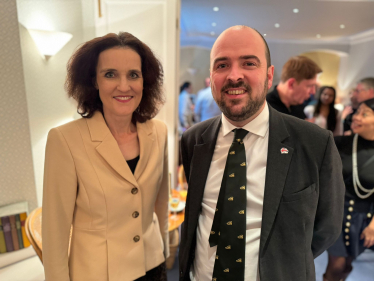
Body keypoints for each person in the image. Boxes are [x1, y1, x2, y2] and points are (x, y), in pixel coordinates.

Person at [179, 25, 345, 281]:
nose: (234, 76)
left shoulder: (315, 144)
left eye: (248, 63)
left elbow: (327, 227)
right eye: (222, 65)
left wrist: (286, 262)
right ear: (211, 77)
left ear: (269, 76)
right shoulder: (193, 140)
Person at [42, 32, 169, 281]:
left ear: (145, 81)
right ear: (94, 81)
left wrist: (164, 248)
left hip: (152, 265)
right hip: (98, 274)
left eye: (134, 74)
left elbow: (161, 204)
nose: (124, 86)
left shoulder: (160, 132)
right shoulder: (65, 140)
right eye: (110, 74)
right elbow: (55, 231)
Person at [323, 98, 374, 281]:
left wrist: (373, 225)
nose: (356, 117)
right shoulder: (341, 143)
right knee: (336, 266)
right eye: (357, 111)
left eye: (364, 114)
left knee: (347, 264)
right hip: (337, 213)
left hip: (363, 218)